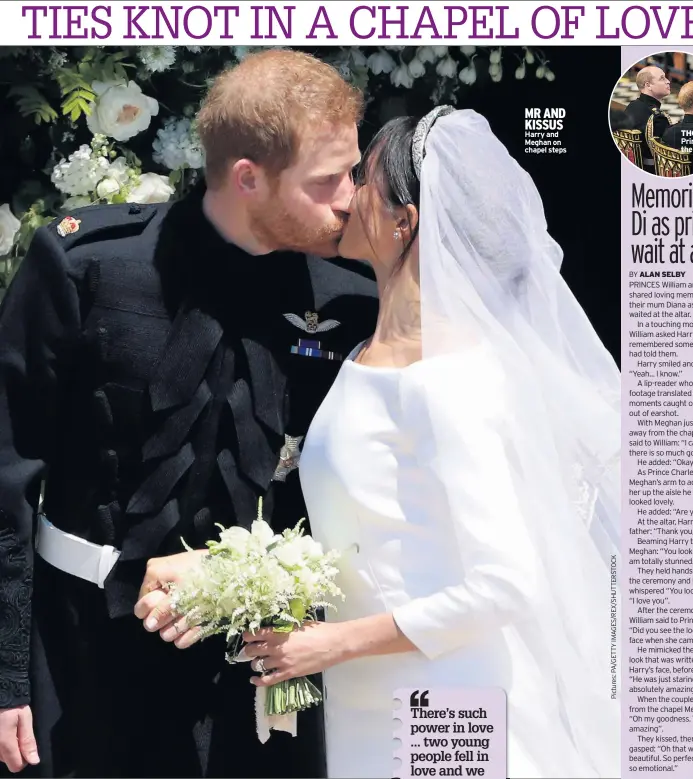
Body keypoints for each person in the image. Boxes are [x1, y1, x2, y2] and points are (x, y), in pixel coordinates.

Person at [0, 50, 377, 778]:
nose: (350, 198)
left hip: (270, 662)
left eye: (353, 171)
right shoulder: (87, 267)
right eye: (327, 179)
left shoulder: (349, 298)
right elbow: (6, 471)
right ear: (247, 178)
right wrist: (6, 672)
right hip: (83, 652)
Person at [237, 108, 621, 778]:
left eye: (362, 179)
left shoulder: (447, 378)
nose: (346, 192)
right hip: (367, 700)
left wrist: (332, 641)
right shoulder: (365, 351)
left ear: (402, 222)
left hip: (444, 706)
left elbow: (503, 584)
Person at [624, 65, 671, 173]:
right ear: (648, 85)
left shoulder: (631, 107)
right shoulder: (657, 118)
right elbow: (667, 157)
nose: (668, 81)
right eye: (662, 78)